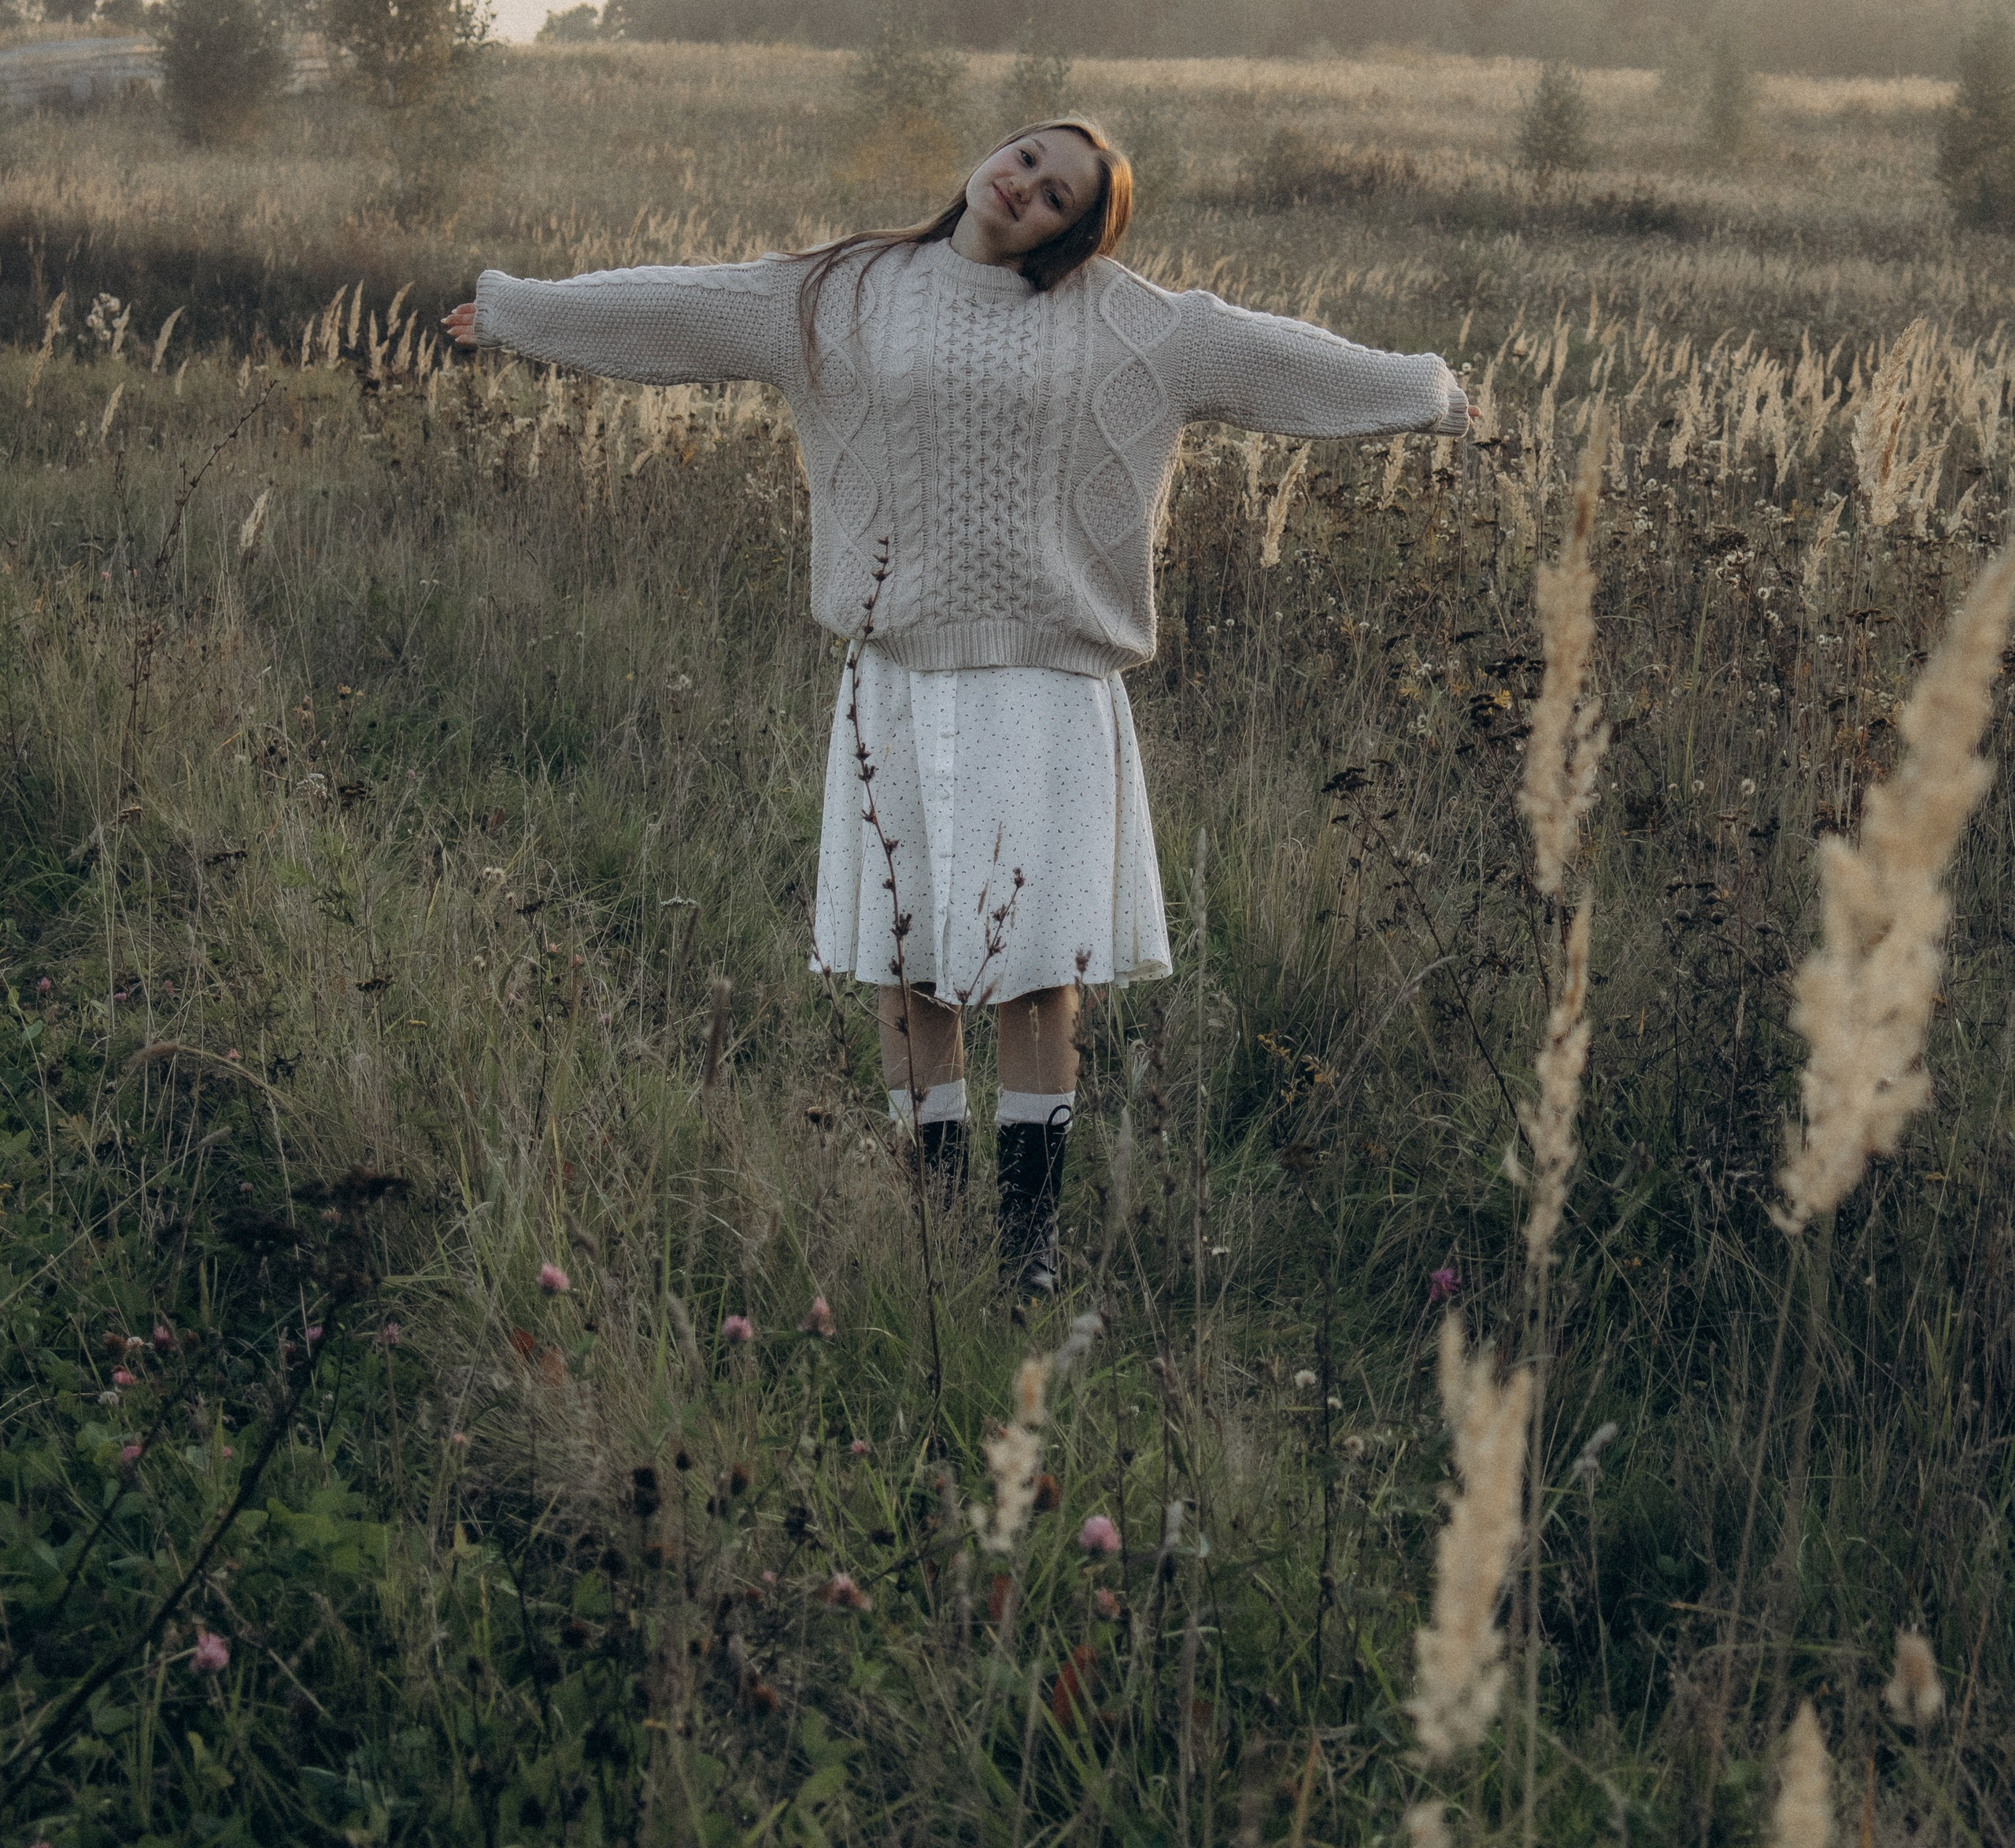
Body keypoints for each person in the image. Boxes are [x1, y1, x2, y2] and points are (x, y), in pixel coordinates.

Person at [444, 119, 1473, 1297]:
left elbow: (1275, 359)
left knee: (1039, 970)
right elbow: (682, 310)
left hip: (1048, 686)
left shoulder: (1132, 320)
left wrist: (1424, 392)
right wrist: (519, 312)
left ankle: (1026, 1245)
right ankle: (933, 1231)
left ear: (1072, 233)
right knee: (911, 959)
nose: (1024, 185)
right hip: (897, 674)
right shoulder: (847, 291)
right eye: (1028, 157)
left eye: (1056, 196)